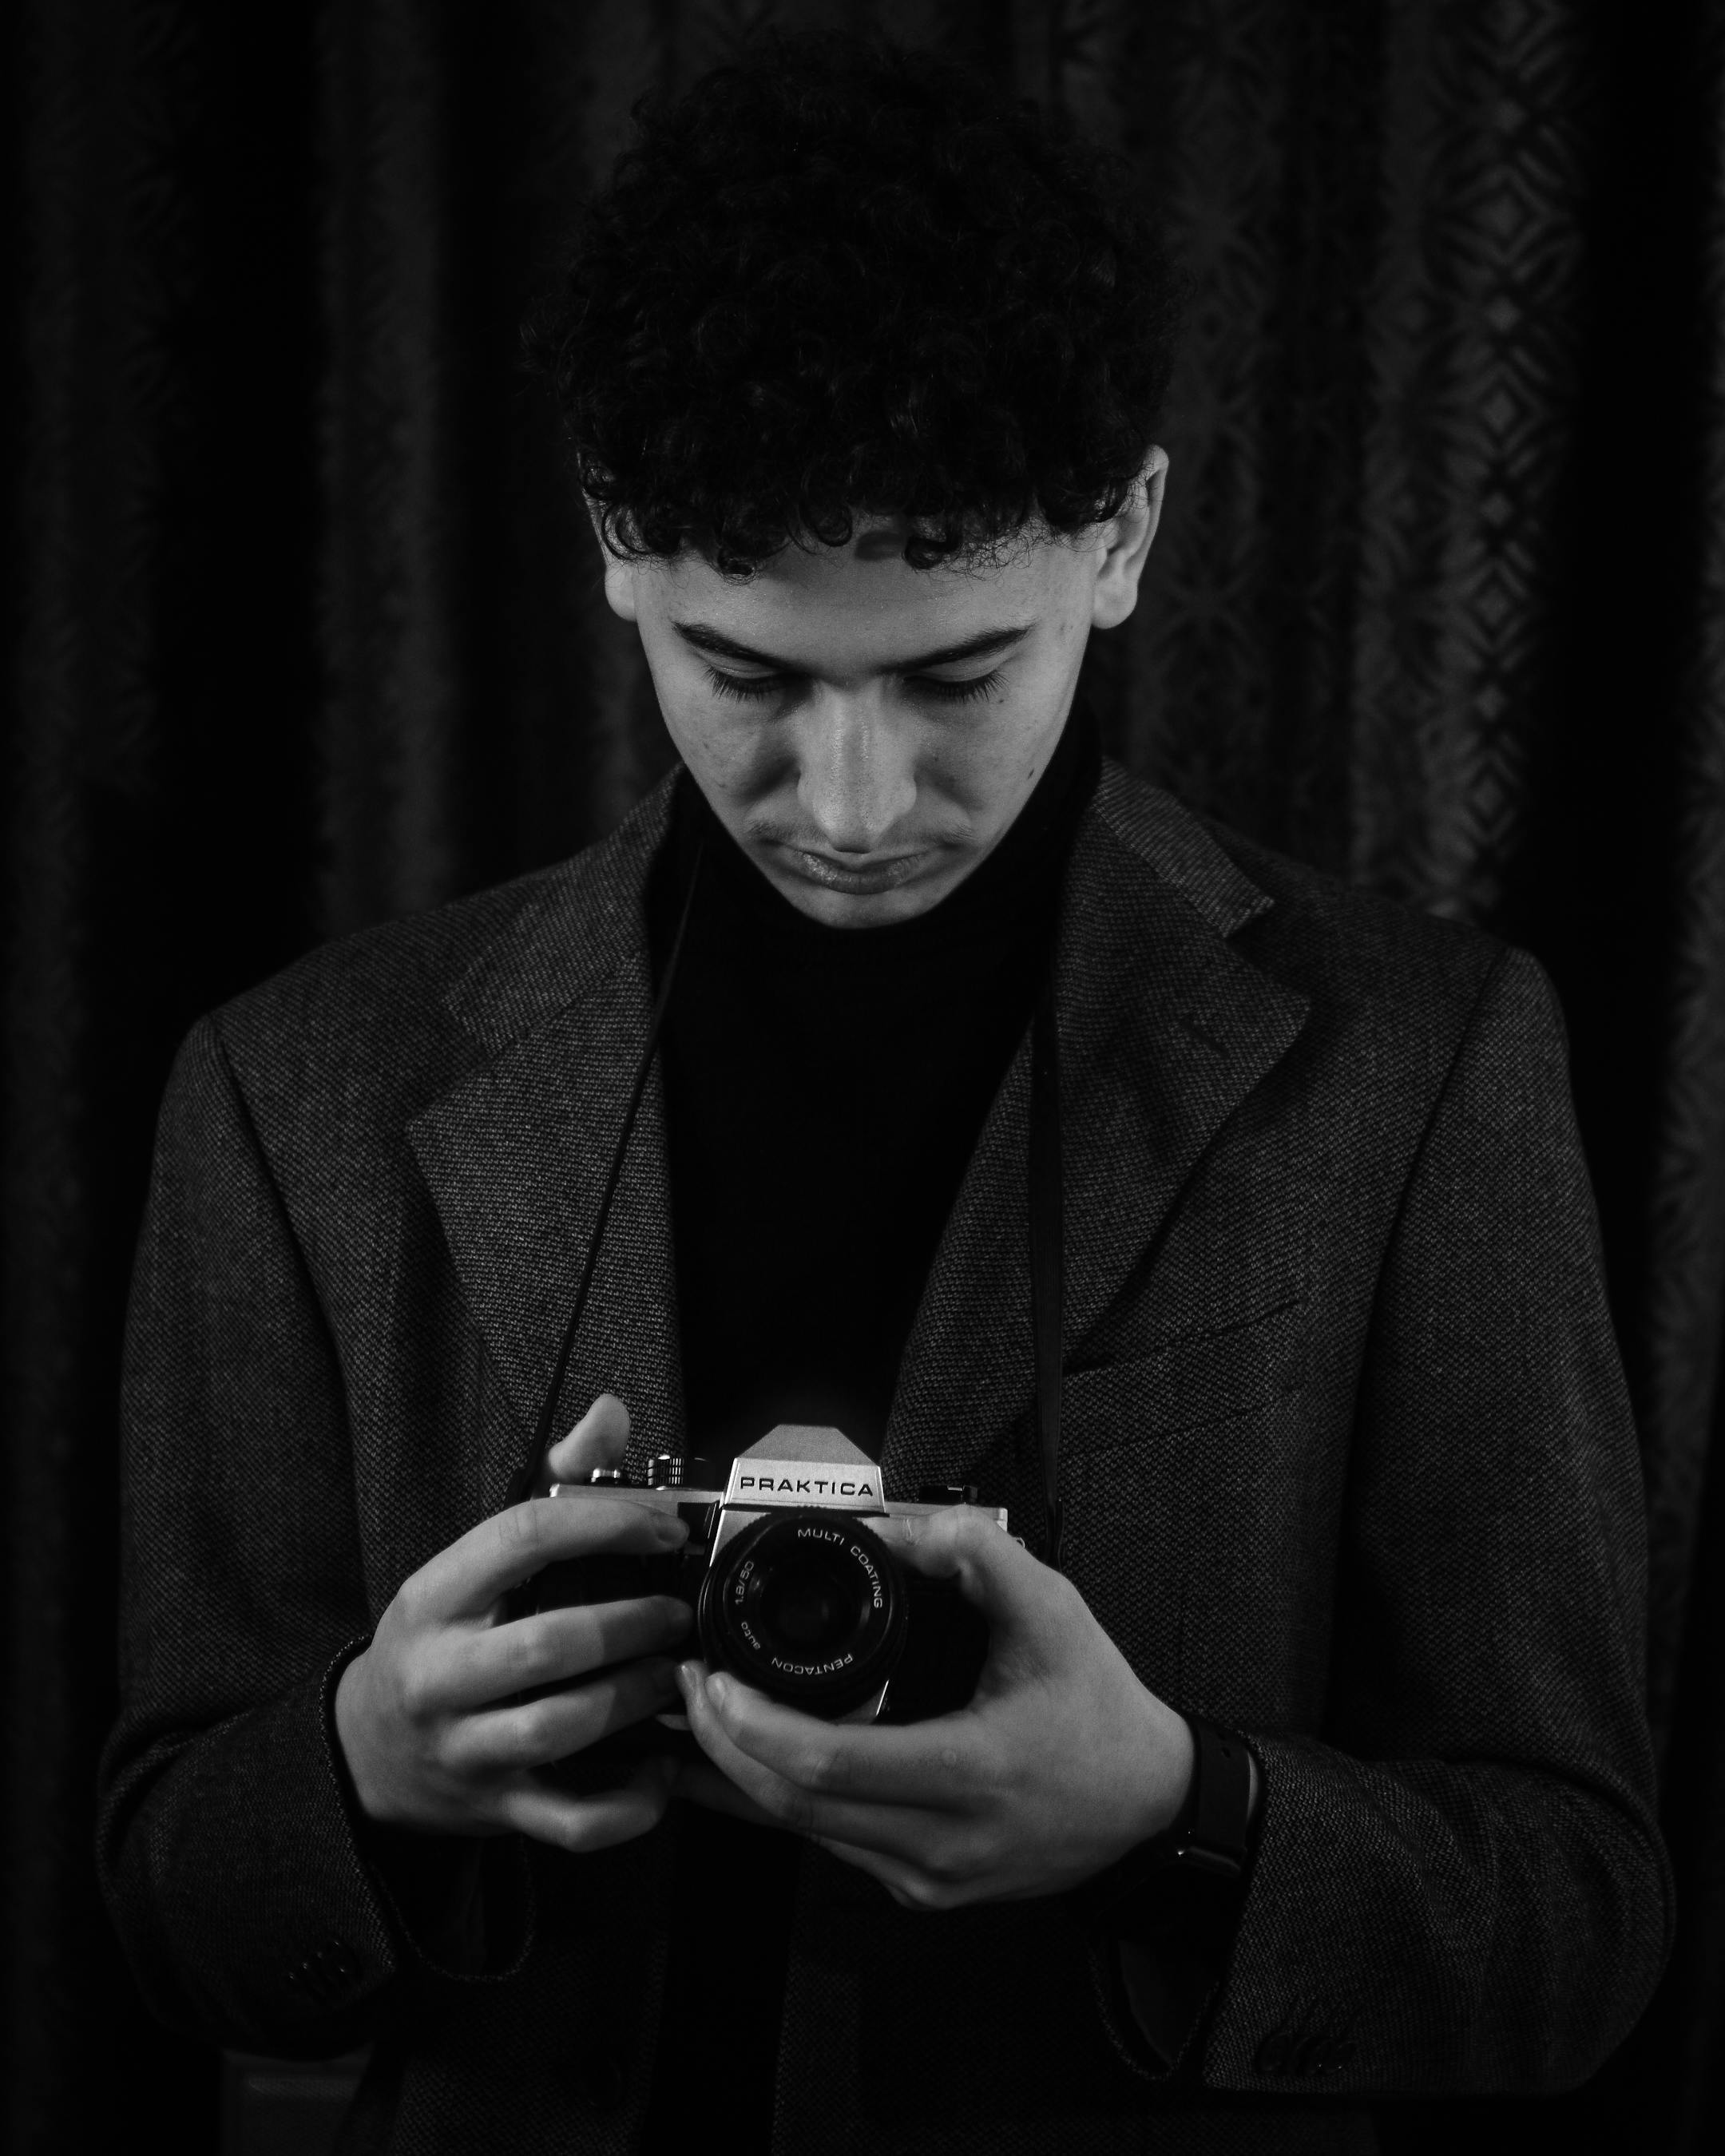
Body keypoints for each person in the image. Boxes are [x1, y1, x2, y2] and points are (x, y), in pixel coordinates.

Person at [97, 34, 1670, 2156]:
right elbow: (165, 1901)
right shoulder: (296, 1093)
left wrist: (1180, 1813)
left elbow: (1575, 1929)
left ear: (1125, 535)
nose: (849, 804)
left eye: (956, 674)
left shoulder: (1418, 1067)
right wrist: (367, 1763)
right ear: (613, 539)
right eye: (746, 674)